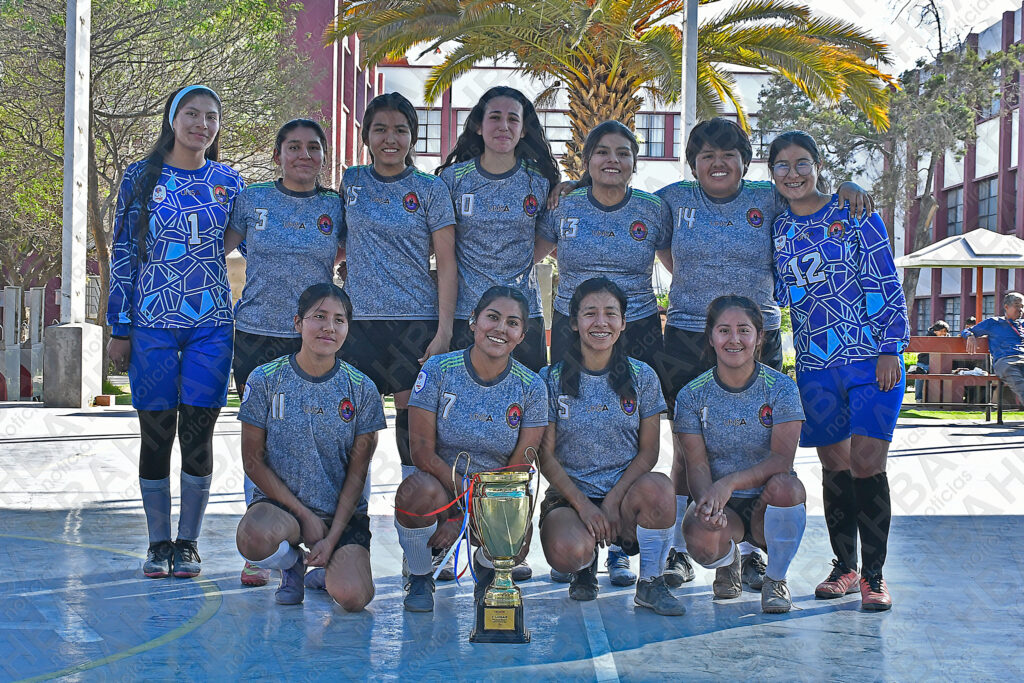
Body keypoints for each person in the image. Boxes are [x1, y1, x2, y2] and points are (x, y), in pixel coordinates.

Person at [654, 118, 871, 590]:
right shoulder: (672, 199)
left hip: (758, 335)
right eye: (707, 155)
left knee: (760, 445)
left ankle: (752, 553)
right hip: (689, 334)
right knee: (686, 450)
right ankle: (678, 551)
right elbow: (630, 219)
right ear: (693, 163)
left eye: (728, 155)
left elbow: (809, 197)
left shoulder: (768, 198)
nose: (718, 163)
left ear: (745, 162)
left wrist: (846, 189)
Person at [107, 85, 243, 579]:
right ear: (172, 118)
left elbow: (252, 241)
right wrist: (119, 326)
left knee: (199, 434)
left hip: (211, 326)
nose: (201, 124)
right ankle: (157, 542)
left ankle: (187, 543)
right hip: (152, 325)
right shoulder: (140, 177)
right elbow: (123, 252)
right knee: (157, 434)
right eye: (191, 114)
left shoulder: (230, 181)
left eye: (211, 116)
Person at [770, 130, 908, 611]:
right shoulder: (778, 228)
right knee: (834, 465)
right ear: (772, 173)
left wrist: (890, 347)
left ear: (818, 166)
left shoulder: (854, 212)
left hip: (871, 361)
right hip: (815, 366)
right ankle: (845, 567)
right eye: (782, 165)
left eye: (802, 163)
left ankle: (875, 576)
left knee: (868, 463)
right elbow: (780, 293)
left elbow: (885, 278)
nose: (793, 173)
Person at [225, 118, 344, 587]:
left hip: (313, 337)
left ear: (324, 158)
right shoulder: (252, 199)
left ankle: (320, 538)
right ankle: (264, 547)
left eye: (314, 148)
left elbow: (349, 252)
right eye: (293, 147)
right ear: (277, 156)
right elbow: (218, 249)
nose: (303, 155)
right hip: (256, 334)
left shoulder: (334, 205)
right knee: (262, 441)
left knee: (316, 435)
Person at [394, 287, 547, 612]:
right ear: (473, 321)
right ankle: (420, 575)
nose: (501, 329)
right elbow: (421, 452)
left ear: (521, 336)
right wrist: (460, 508)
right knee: (413, 492)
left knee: (516, 535)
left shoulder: (531, 386)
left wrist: (475, 512)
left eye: (512, 323)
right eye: (493, 317)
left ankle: (488, 570)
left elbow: (520, 465)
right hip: (442, 492)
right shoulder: (438, 370)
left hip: (496, 497)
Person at [538, 278, 683, 616]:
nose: (600, 322)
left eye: (610, 313)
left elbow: (649, 452)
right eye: (590, 313)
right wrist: (584, 507)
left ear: (623, 322)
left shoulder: (642, 376)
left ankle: (651, 582)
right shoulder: (550, 379)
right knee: (568, 550)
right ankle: (583, 566)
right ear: (575, 323)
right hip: (570, 497)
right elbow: (544, 456)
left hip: (626, 495)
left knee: (661, 489)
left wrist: (614, 499)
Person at [235, 284, 384, 608]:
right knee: (252, 537)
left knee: (354, 597)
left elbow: (357, 475)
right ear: (298, 322)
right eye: (319, 316)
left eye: (339, 320)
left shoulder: (362, 388)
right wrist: (304, 516)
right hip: (282, 509)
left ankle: (326, 571)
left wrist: (332, 537)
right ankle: (292, 564)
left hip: (340, 514)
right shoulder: (265, 379)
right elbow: (252, 461)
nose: (329, 327)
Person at [339, 92, 457, 484]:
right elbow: (340, 243)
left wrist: (443, 332)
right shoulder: (351, 181)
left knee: (412, 433)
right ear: (366, 136)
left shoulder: (430, 189)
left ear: (413, 137)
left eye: (401, 130)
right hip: (359, 323)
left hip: (414, 324)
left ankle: (413, 516)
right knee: (356, 427)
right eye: (380, 129)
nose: (390, 138)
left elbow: (447, 264)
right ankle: (353, 513)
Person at [674, 296, 807, 613]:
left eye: (744, 330)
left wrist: (730, 482)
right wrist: (708, 504)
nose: (734, 339)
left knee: (789, 488)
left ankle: (775, 579)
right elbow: (696, 464)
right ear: (711, 337)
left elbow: (782, 460)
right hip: (724, 504)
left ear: (760, 337)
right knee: (699, 533)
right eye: (724, 330)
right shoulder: (691, 394)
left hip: (766, 502)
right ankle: (728, 561)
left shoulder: (781, 388)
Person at [437, 86, 560, 373]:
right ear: (478, 126)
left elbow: (549, 234)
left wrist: (521, 261)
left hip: (523, 313)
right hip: (467, 313)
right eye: (494, 117)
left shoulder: (540, 181)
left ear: (524, 130)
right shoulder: (453, 179)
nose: (504, 126)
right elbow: (441, 248)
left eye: (513, 119)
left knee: (526, 396)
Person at [964, 292, 1024, 403]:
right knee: (1021, 387)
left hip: (1022, 359)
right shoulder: (994, 322)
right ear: (1006, 307)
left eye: (1022, 306)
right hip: (1006, 361)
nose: (1020, 310)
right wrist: (970, 335)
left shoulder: (1022, 324)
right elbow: (967, 330)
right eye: (1017, 306)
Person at [912, 320, 949, 402]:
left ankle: (941, 399)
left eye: (945, 331)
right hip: (924, 362)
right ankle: (919, 398)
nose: (943, 333)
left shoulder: (948, 338)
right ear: (935, 331)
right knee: (920, 376)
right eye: (941, 331)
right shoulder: (928, 338)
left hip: (940, 364)